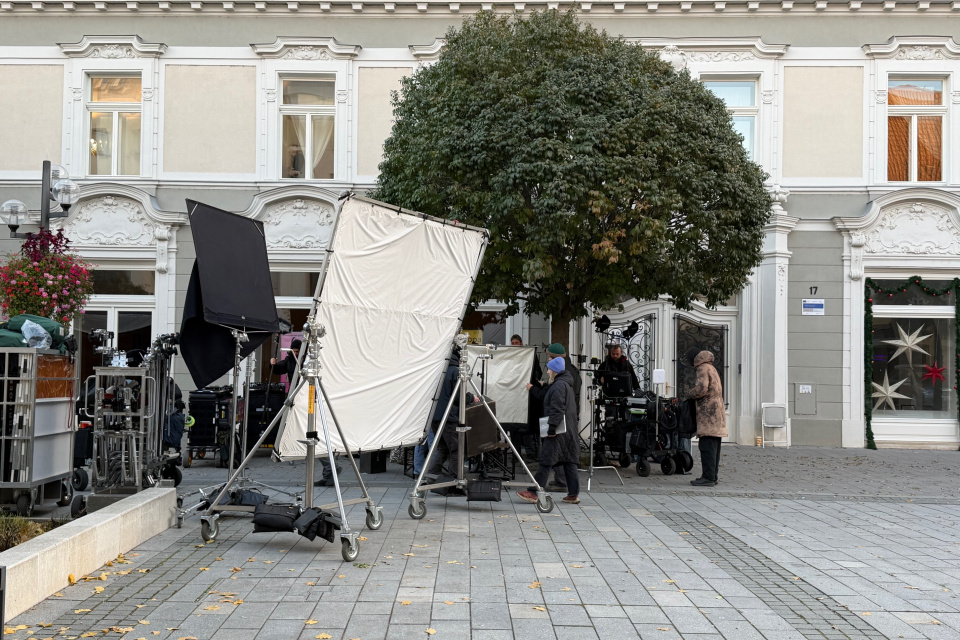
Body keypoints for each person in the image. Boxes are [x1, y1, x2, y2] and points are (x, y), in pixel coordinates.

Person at [270, 338, 340, 486]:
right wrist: (273, 364)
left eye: (297, 351)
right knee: (308, 433)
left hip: (308, 397)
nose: (295, 353)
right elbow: (279, 369)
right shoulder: (290, 360)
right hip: (297, 397)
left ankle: (329, 467)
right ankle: (329, 469)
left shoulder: (308, 360)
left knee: (310, 433)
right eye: (294, 351)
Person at [518, 354, 580, 504]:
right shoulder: (565, 384)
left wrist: (551, 429)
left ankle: (534, 492)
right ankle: (573, 494)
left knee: (546, 461)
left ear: (555, 371)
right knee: (569, 461)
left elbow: (557, 409)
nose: (547, 372)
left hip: (557, 431)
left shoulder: (559, 386)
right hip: (568, 430)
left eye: (549, 370)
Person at [424, 346, 478, 479]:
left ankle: (431, 475)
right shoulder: (454, 371)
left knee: (442, 448)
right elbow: (459, 396)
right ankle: (454, 481)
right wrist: (471, 398)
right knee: (456, 450)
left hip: (435, 417)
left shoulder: (439, 370)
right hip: (449, 417)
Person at [687, 350, 725, 487]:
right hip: (717, 413)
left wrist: (689, 393)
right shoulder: (712, 367)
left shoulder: (702, 368)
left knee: (706, 445)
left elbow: (701, 389)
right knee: (714, 446)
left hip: (708, 413)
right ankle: (713, 476)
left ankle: (708, 477)